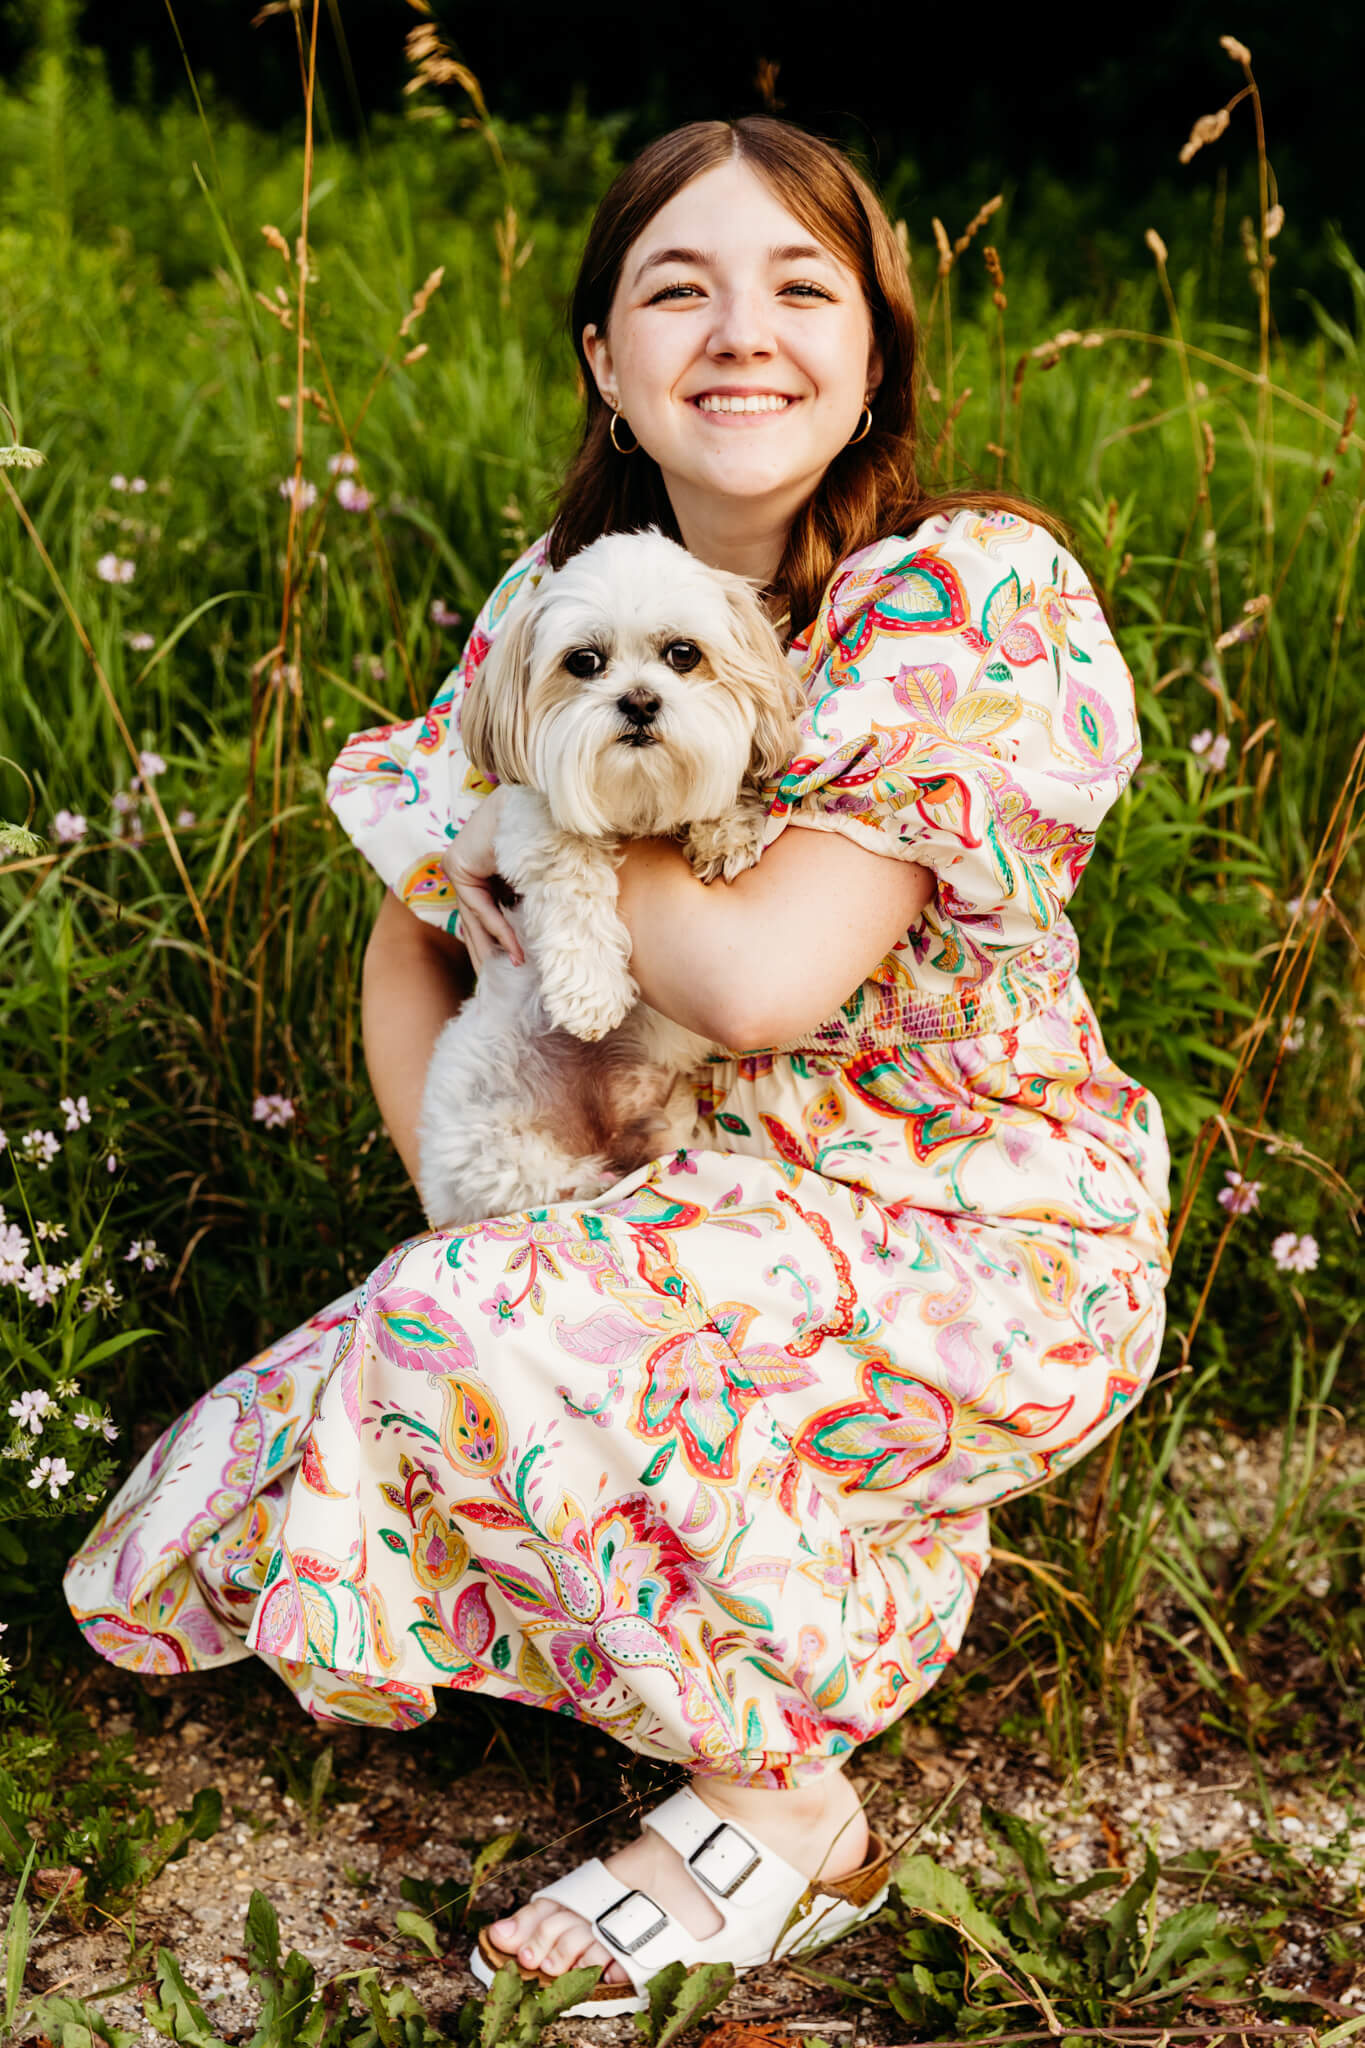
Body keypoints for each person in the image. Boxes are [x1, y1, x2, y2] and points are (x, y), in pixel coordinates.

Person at [64, 117, 1171, 2015]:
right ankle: (698, 1552)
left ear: (877, 352)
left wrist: (565, 802)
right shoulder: (537, 609)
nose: (740, 333)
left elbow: (754, 987)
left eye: (799, 289)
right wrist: (472, 1196)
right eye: (678, 288)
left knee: (511, 1339)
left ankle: (777, 1802)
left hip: (970, 1235)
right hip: (662, 1200)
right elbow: (412, 919)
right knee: (422, 1335)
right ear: (603, 357)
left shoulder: (963, 592)